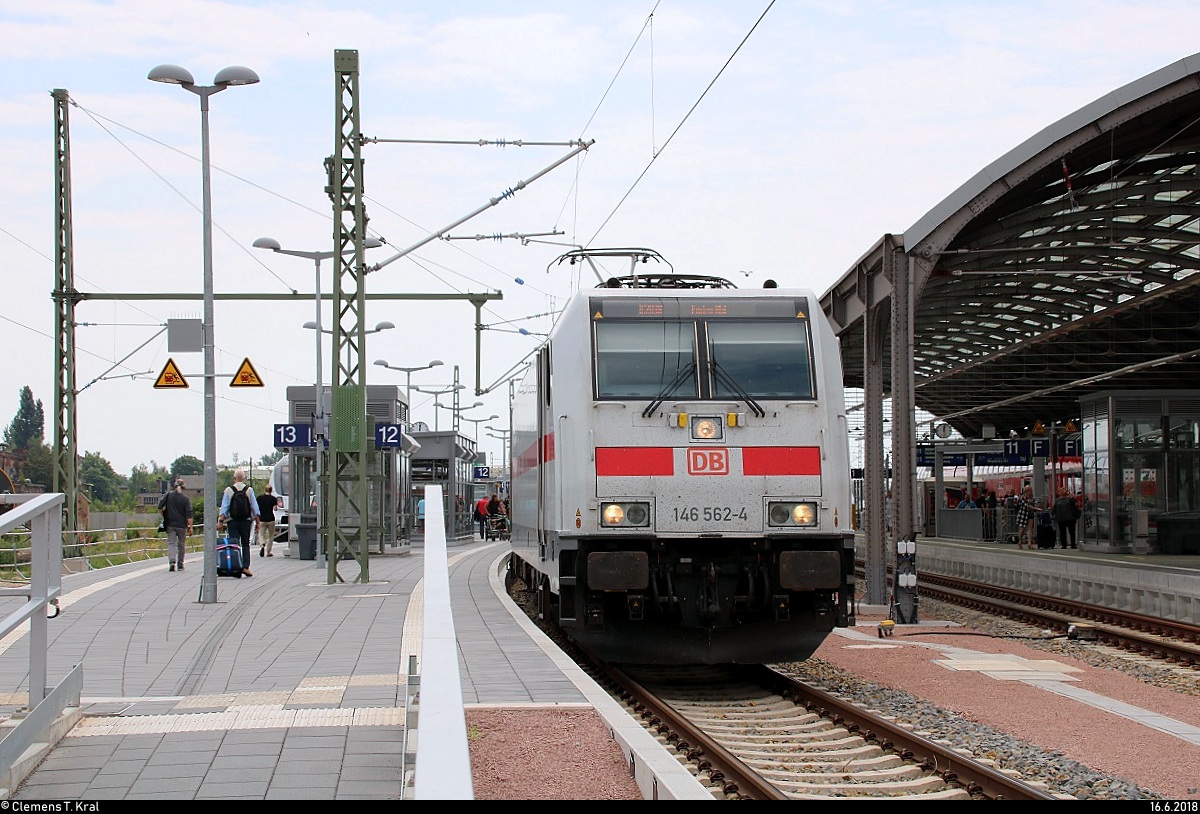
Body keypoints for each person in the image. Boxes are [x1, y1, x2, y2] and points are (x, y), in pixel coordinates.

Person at [218, 468, 257, 577]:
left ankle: (236, 566)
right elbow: (254, 507)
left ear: (234, 478)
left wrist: (220, 521)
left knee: (234, 543)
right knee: (245, 543)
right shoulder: (249, 490)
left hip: (232, 521)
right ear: (243, 478)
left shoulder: (228, 490)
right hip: (246, 521)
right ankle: (245, 567)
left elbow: (224, 508)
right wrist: (257, 521)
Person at [158, 478, 193, 572]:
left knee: (171, 543)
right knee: (181, 545)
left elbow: (160, 506)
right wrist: (191, 527)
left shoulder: (168, 495)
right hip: (182, 526)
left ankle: (172, 562)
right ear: (184, 487)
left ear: (174, 486)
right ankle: (180, 564)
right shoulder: (186, 499)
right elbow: (189, 515)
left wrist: (164, 515)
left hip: (170, 525)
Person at [256, 484, 279, 558]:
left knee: (261, 534)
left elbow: (256, 508)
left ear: (265, 490)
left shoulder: (259, 498)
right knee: (271, 535)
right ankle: (268, 551)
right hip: (271, 519)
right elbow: (275, 508)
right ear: (271, 491)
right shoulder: (273, 498)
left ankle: (262, 544)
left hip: (262, 519)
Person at [1015, 485, 1037, 550]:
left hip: (1030, 514)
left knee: (1030, 528)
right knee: (1022, 529)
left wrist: (1036, 507)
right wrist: (1035, 508)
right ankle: (1020, 541)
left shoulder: (1031, 497)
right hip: (1023, 514)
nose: (1032, 491)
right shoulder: (1022, 497)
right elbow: (1026, 505)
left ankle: (1029, 543)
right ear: (1027, 491)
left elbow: (1033, 504)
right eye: (1030, 490)